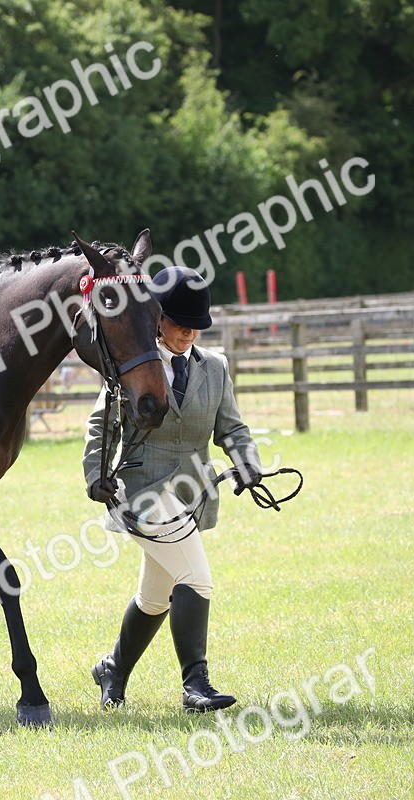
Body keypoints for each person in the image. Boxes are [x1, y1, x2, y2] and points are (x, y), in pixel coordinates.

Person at [82, 266, 262, 713]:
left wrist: (248, 462)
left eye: (195, 328)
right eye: (179, 325)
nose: (187, 335)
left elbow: (232, 429)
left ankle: (112, 668)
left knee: (155, 597)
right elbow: (99, 424)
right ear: (157, 319)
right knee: (196, 578)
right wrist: (95, 474)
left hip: (191, 496)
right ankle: (195, 685)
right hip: (141, 493)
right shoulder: (134, 367)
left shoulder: (215, 368)